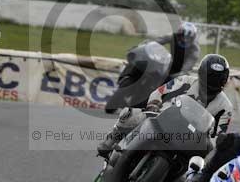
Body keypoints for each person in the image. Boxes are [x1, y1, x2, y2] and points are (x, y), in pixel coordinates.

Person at [97, 54, 233, 157]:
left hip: (190, 139)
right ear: (202, 74)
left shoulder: (225, 107)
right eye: (210, 78)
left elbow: (218, 135)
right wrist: (154, 105)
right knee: (129, 114)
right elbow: (159, 92)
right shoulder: (185, 81)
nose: (212, 84)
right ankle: (113, 137)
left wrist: (212, 143)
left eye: (218, 80)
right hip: (164, 120)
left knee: (202, 161)